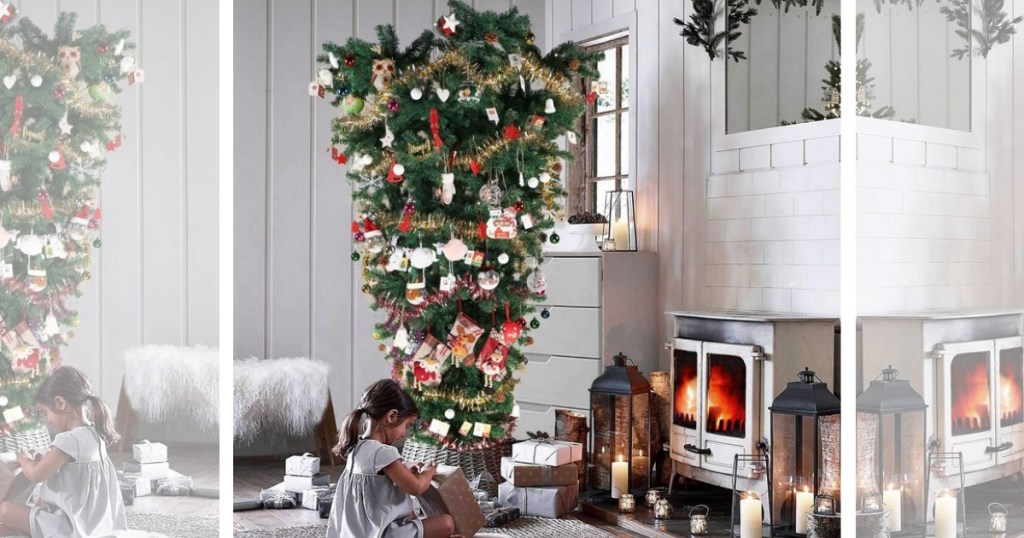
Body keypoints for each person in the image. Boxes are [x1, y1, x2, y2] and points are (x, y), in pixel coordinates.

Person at [0, 366, 127, 537]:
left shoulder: (68, 440)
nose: (48, 421)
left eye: (46, 412)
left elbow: (36, 475)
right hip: (92, 526)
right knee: (10, 527)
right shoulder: (95, 435)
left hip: (69, 528)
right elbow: (74, 469)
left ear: (60, 403)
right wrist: (46, 457)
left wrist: (23, 459)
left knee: (5, 510)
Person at [327, 379, 456, 538]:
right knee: (446, 523)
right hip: (384, 534)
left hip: (359, 533)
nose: (404, 434)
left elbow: (376, 479)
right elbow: (416, 488)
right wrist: (429, 472)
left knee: (415, 518)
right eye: (407, 426)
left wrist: (405, 468)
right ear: (392, 416)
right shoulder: (384, 452)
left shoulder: (357, 447)